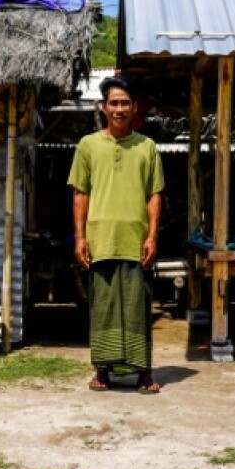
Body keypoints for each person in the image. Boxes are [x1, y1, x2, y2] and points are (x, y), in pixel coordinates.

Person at [68, 75, 165, 393]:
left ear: (134, 107)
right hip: (101, 240)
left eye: (125, 103)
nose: (119, 109)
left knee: (138, 308)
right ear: (104, 107)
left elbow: (154, 195)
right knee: (104, 307)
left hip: (136, 241)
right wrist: (80, 237)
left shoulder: (147, 147)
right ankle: (103, 372)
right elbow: (80, 193)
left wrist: (152, 236)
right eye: (114, 103)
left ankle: (144, 374)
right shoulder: (88, 145)